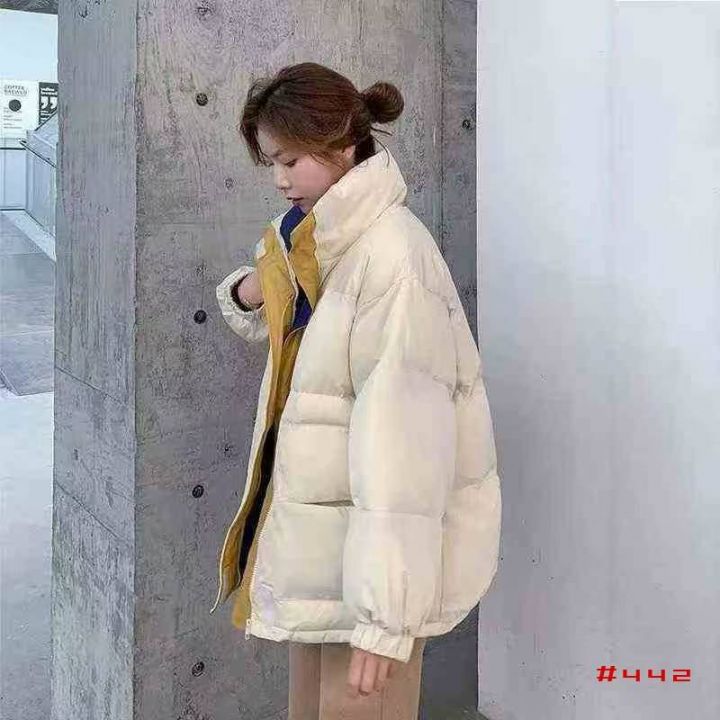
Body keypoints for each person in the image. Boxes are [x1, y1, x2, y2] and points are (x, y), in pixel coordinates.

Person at [211, 61, 502, 720]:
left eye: (291, 160)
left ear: (342, 147)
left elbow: (407, 452)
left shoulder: (392, 259)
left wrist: (385, 617)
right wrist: (255, 286)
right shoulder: (317, 241)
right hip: (326, 555)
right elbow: (299, 336)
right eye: (272, 162)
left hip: (370, 570)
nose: (279, 178)